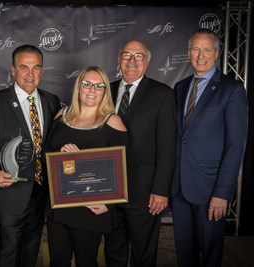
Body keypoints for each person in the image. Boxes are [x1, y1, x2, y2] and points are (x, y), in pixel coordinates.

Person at [0, 44, 61, 267]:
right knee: (9, 249)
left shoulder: (51, 101)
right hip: (10, 190)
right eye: (24, 67)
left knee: (31, 247)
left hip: (42, 191)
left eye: (36, 68)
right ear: (13, 70)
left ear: (42, 70)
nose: (30, 74)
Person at [171, 28, 248, 267]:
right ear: (188, 52)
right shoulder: (180, 87)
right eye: (195, 49)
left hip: (211, 190)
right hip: (179, 187)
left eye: (206, 49)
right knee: (185, 252)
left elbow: (236, 145)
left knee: (211, 254)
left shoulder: (231, 90)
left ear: (217, 53)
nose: (200, 55)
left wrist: (222, 193)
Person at [45, 66, 127, 267]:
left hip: (90, 207)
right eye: (87, 84)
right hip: (60, 205)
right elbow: (45, 156)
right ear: (78, 87)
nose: (92, 90)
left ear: (105, 91)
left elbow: (125, 169)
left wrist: (109, 204)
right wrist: (62, 155)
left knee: (87, 261)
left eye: (99, 86)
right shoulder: (61, 115)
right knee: (58, 260)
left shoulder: (113, 122)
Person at [104, 40, 176, 267]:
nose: (132, 61)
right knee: (113, 250)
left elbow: (167, 146)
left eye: (138, 56)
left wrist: (161, 190)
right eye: (127, 55)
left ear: (146, 62)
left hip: (145, 193)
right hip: (109, 190)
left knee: (143, 255)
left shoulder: (163, 94)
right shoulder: (105, 90)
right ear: (118, 60)